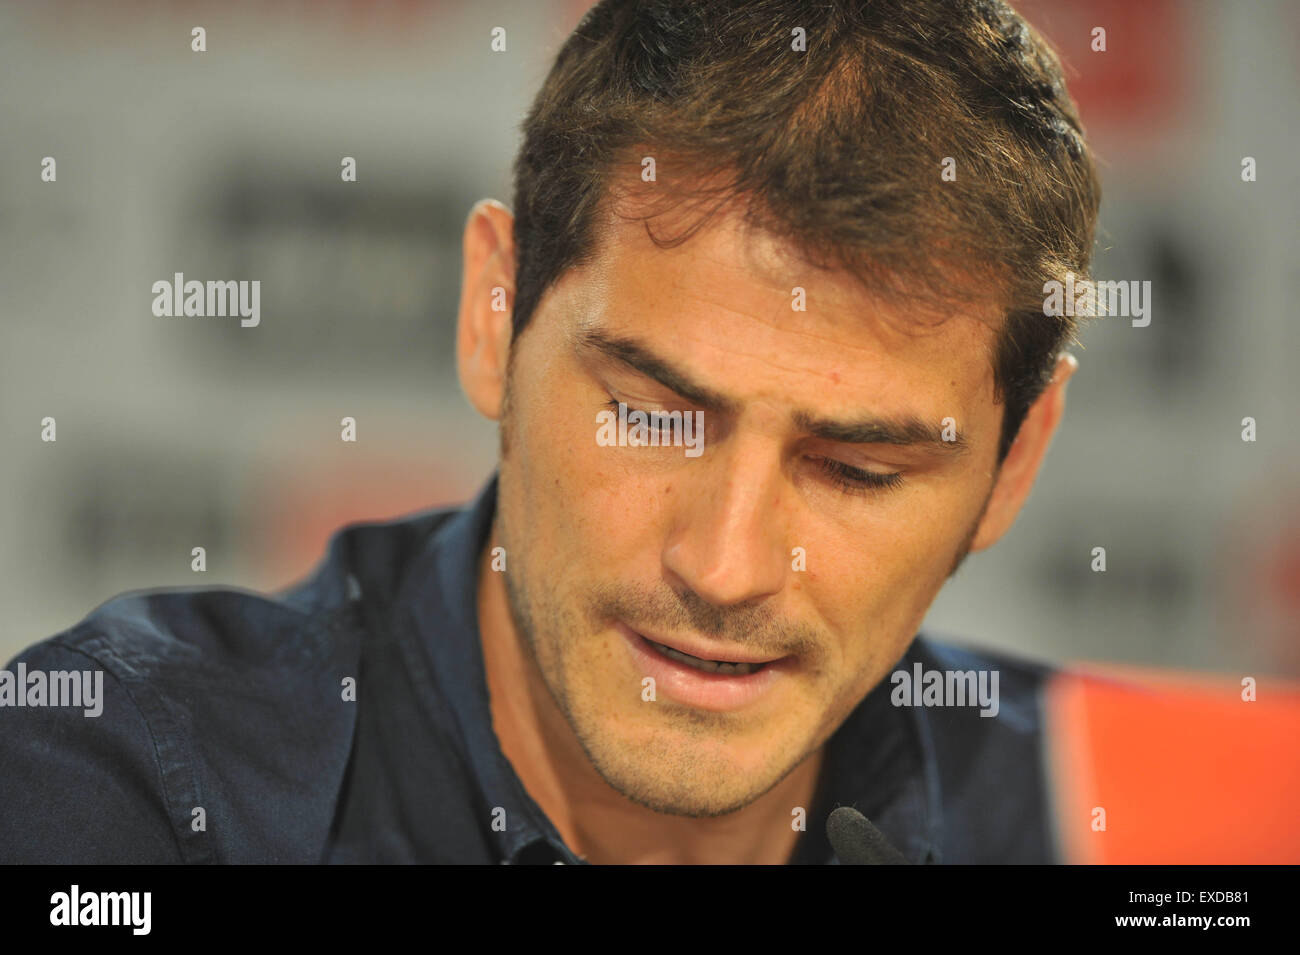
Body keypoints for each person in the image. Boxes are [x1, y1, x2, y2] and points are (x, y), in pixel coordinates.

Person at [0, 0, 1100, 864]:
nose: (724, 566)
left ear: (1016, 463)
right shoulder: (120, 794)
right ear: (496, 311)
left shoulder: (1101, 824)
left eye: (856, 470)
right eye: (650, 415)